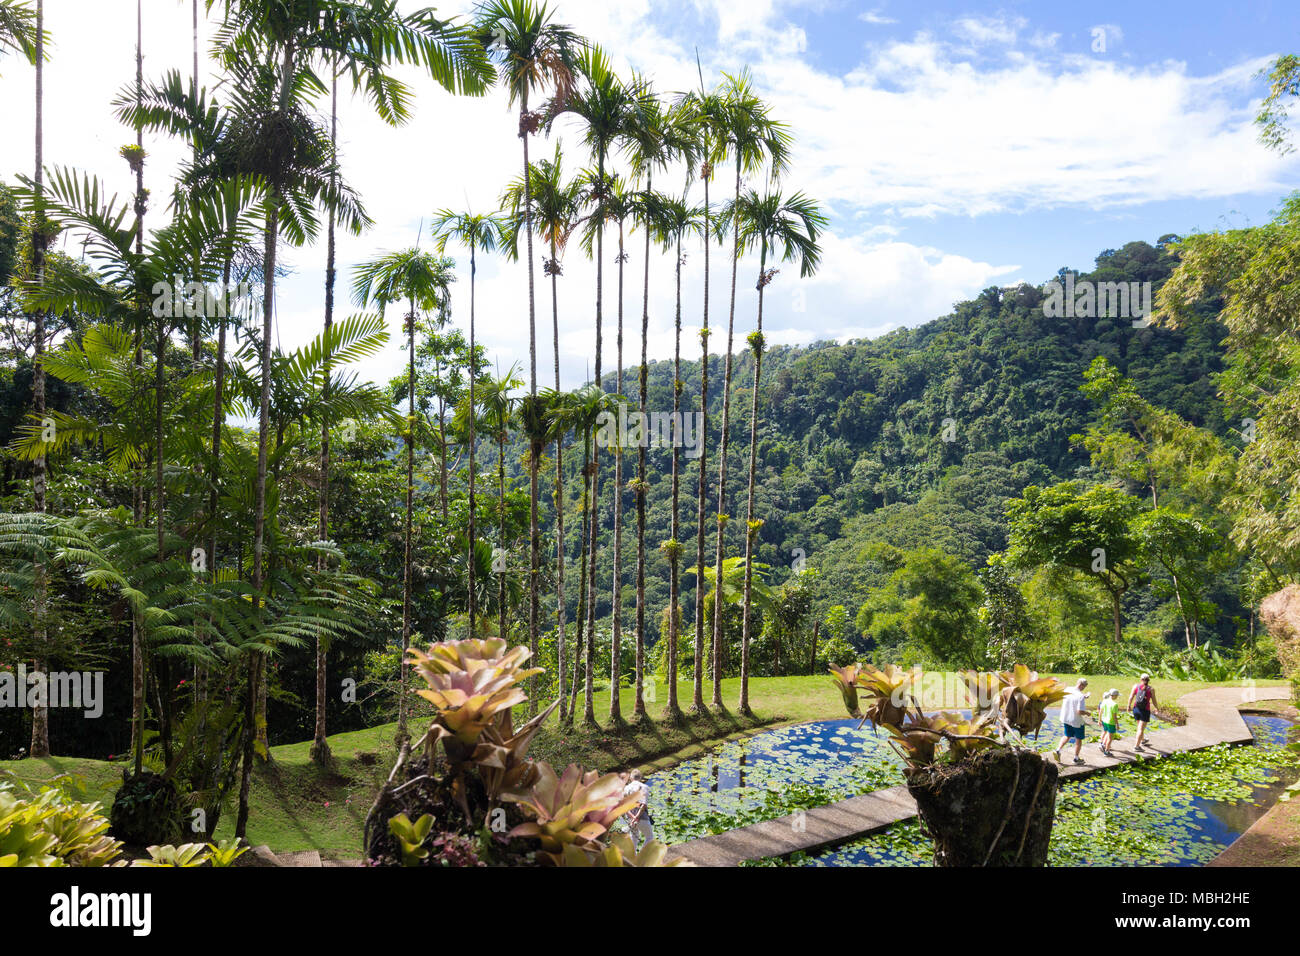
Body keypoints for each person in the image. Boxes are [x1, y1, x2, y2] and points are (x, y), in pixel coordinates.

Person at [1053, 678, 1090, 764]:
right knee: (1079, 739)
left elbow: (1074, 696)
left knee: (1067, 735)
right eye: (1084, 687)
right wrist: (1087, 713)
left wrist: (1083, 696)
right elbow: (1079, 711)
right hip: (1076, 721)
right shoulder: (1080, 696)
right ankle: (1076, 759)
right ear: (1082, 685)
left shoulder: (1068, 689)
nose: (1084, 688)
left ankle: (1058, 750)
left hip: (1066, 718)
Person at [622, 769, 654, 847]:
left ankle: (633, 858)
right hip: (642, 817)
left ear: (631, 778)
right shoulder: (644, 787)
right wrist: (636, 817)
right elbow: (643, 805)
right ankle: (642, 856)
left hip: (630, 818)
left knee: (633, 838)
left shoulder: (626, 788)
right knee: (650, 837)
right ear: (640, 777)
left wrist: (632, 817)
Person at [1128, 673, 1158, 750]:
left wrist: (1128, 706)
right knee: (1141, 729)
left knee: (1139, 726)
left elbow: (1131, 697)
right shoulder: (1151, 689)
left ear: (1141, 679)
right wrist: (1156, 708)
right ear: (1148, 680)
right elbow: (1154, 700)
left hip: (1136, 709)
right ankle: (1137, 746)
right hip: (1145, 711)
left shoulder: (1135, 686)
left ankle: (1143, 740)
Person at [1097, 688, 1120, 756]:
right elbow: (1114, 716)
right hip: (1111, 722)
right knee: (1110, 738)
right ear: (1114, 696)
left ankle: (1103, 745)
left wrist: (1099, 719)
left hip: (1104, 721)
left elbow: (1100, 711)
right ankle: (1107, 751)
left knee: (1106, 733)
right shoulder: (1114, 704)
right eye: (1117, 696)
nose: (1117, 697)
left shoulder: (1105, 701)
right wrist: (1117, 724)